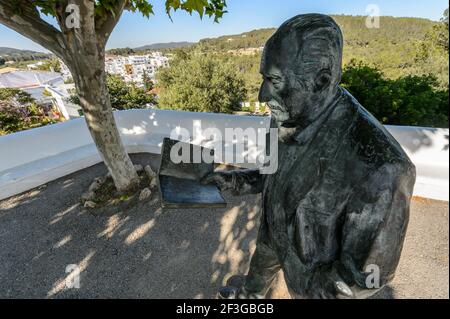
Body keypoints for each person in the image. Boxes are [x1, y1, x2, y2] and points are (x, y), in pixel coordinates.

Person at [202, 13, 416, 299]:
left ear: (321, 80)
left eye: (274, 80)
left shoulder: (382, 168)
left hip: (310, 287)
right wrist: (232, 181)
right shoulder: (285, 114)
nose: (262, 94)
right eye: (264, 78)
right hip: (271, 239)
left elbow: (362, 278)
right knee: (253, 285)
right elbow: (273, 173)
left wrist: (312, 292)